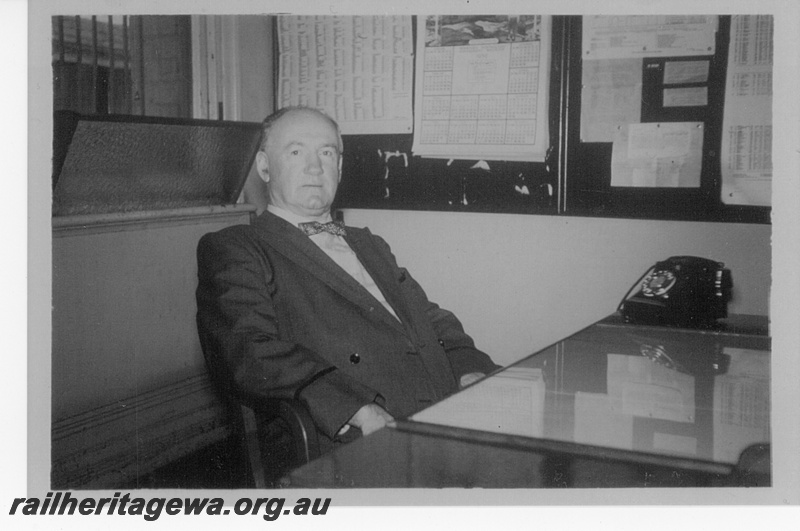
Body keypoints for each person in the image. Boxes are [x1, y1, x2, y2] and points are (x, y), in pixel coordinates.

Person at [196, 106, 499, 455]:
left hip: (446, 409)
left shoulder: (369, 243)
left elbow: (429, 317)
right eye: (296, 152)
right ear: (264, 167)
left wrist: (469, 370)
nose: (315, 167)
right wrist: (358, 410)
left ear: (339, 167)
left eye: (327, 153)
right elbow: (249, 351)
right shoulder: (238, 247)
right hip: (354, 433)